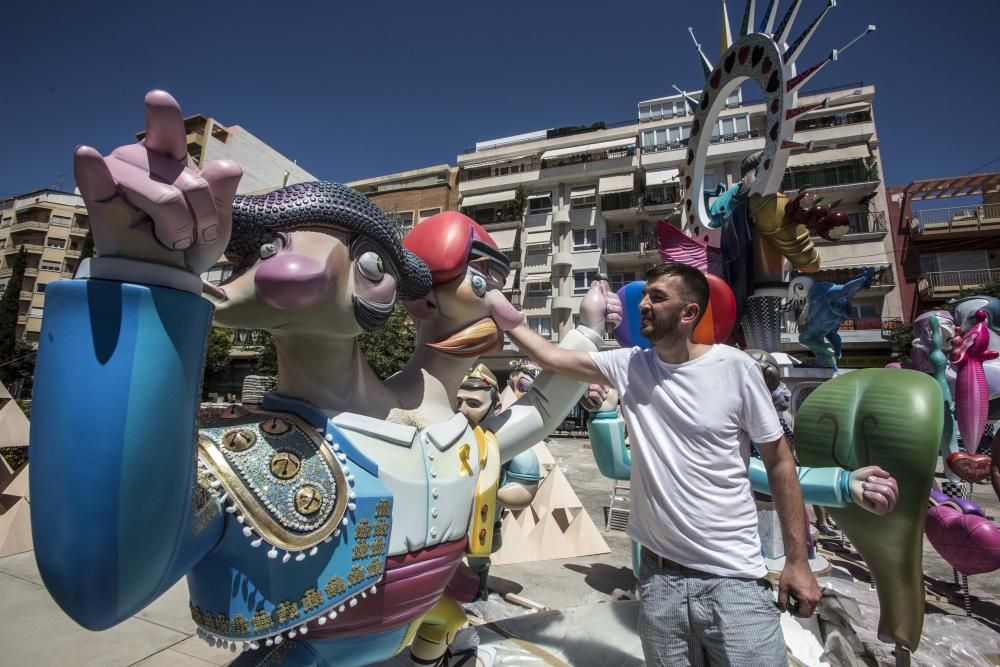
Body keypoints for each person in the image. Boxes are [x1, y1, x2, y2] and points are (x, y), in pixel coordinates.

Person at [505, 262, 897, 666]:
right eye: (644, 297)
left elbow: (780, 463)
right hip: (659, 582)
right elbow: (549, 357)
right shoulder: (630, 366)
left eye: (657, 297)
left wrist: (797, 562)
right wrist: (500, 309)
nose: (643, 305)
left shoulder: (735, 368)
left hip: (734, 583)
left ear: (689, 313)